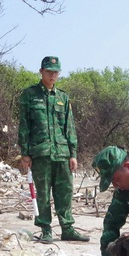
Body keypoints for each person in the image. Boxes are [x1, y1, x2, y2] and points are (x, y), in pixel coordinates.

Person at [18, 56, 89, 243]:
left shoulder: (63, 97)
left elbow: (69, 127)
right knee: (42, 193)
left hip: (62, 153)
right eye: (49, 71)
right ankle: (46, 229)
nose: (53, 75)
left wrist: (73, 154)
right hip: (40, 152)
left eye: (56, 72)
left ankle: (67, 228)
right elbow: (24, 125)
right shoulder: (29, 95)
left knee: (64, 192)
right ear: (41, 71)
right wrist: (25, 153)